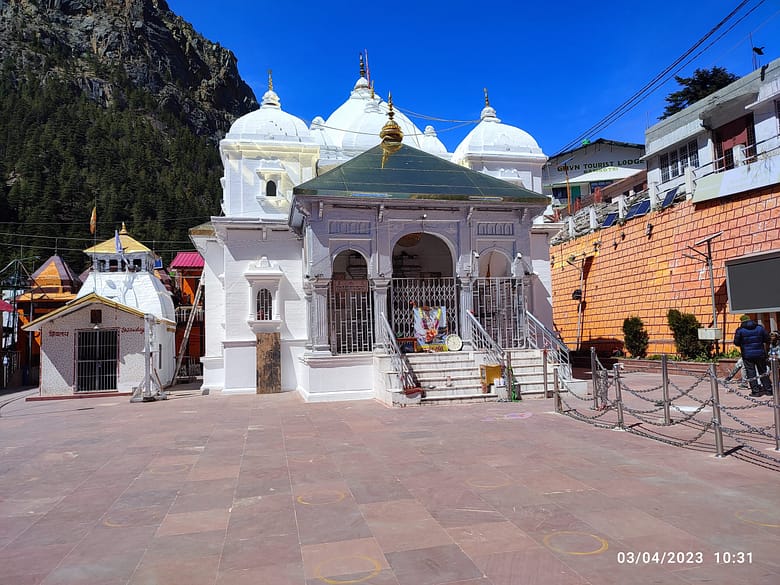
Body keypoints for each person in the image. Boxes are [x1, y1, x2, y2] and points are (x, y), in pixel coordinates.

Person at [733, 316, 772, 397]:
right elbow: (767, 339)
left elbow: (736, 342)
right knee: (763, 371)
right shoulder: (760, 328)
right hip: (760, 354)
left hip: (747, 355)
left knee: (751, 372)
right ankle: (768, 390)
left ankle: (755, 391)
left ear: (742, 321)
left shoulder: (740, 330)